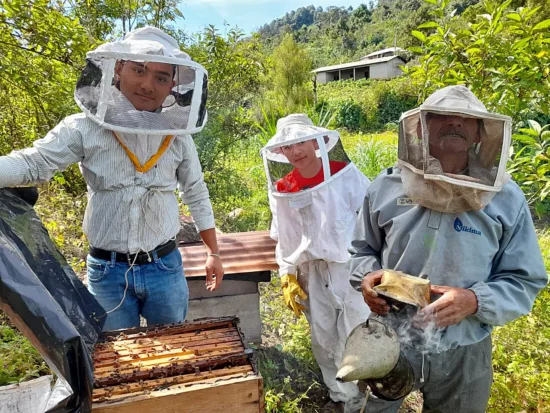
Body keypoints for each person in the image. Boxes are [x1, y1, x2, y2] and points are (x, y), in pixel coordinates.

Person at [0, 27, 224, 331]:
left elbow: (195, 192)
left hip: (165, 268)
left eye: (160, 77)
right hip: (107, 273)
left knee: (171, 354)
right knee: (118, 362)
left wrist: (213, 253)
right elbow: (33, 163)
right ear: (118, 69)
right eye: (138, 70)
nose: (147, 85)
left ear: (173, 85)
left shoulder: (179, 137)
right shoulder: (83, 128)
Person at [348, 85, 547, 412]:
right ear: (422, 126)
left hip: (464, 346)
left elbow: (525, 279)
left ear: (481, 132)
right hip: (387, 336)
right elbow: (361, 251)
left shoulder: (506, 198)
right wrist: (367, 278)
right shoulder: (385, 186)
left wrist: (474, 300)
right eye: (441, 115)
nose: (454, 122)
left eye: (467, 119)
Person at [261, 114, 371, 413]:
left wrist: (373, 267)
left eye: (301, 142)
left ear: (316, 141)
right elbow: (284, 234)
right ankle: (339, 397)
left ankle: (363, 401)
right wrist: (287, 274)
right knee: (323, 336)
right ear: (279, 152)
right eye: (288, 146)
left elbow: (372, 220)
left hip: (349, 267)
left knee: (357, 332)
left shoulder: (344, 174)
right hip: (311, 270)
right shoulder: (283, 186)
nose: (296, 151)